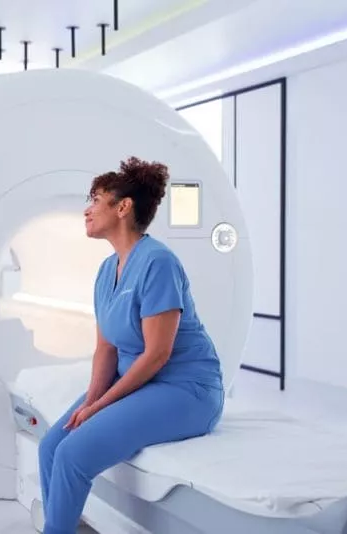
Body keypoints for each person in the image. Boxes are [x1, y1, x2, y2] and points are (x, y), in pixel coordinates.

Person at [34, 157, 225, 533]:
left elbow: (157, 355)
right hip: (142, 382)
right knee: (51, 446)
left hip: (186, 390)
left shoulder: (158, 263)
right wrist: (89, 403)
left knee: (73, 454)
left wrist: (100, 407)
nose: (87, 210)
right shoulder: (107, 270)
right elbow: (105, 349)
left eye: (96, 200)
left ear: (123, 207)